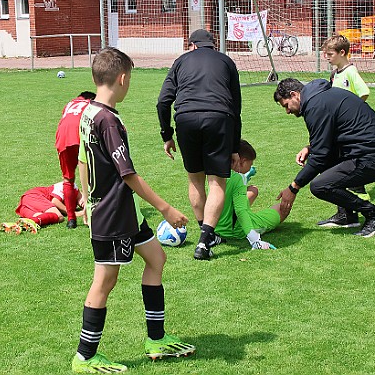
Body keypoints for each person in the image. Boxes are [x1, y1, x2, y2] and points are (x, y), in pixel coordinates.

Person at [73, 47, 195, 374]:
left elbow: (83, 160)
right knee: (105, 280)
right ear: (123, 78)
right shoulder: (108, 120)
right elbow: (127, 174)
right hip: (113, 214)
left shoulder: (87, 111)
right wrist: (166, 208)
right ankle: (85, 356)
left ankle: (156, 339)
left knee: (156, 258)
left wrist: (86, 200)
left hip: (124, 211)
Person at [156, 29, 242, 260]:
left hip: (186, 118)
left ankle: (205, 232)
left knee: (195, 179)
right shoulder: (226, 61)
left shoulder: (181, 61)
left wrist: (167, 134)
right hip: (219, 118)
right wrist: (234, 146)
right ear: (212, 45)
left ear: (191, 45)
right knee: (217, 182)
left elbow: (163, 101)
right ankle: (206, 240)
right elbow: (236, 108)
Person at [274, 78, 375, 238]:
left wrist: (293, 188)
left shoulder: (315, 105)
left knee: (320, 186)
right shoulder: (319, 98)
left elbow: (320, 156)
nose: (287, 111)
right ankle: (347, 215)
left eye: (286, 105)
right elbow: (327, 142)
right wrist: (310, 148)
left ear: (294, 95)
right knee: (326, 164)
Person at [302, 34, 370, 227]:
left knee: (347, 168)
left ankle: (360, 209)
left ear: (342, 53)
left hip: (347, 128)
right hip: (337, 129)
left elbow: (364, 92)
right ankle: (345, 213)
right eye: (325, 54)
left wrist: (349, 112)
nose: (326, 57)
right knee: (336, 166)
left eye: (330, 54)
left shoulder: (350, 72)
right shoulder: (335, 74)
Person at [214, 139, 288, 251]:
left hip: (215, 227)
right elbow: (240, 211)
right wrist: (255, 240)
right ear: (242, 161)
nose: (250, 166)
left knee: (253, 190)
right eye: (250, 163)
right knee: (282, 208)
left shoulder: (215, 172)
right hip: (236, 230)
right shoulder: (239, 178)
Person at [55, 91, 96, 229]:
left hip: (62, 139)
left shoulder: (69, 104)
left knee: (68, 179)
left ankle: (71, 220)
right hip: (80, 137)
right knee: (92, 176)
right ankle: (94, 213)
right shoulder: (91, 104)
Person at [0, 181, 84, 235]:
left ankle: (14, 225)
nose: (85, 205)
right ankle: (32, 221)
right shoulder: (72, 186)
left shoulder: (74, 202)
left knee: (40, 217)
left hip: (27, 204)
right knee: (58, 216)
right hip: (34, 196)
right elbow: (55, 201)